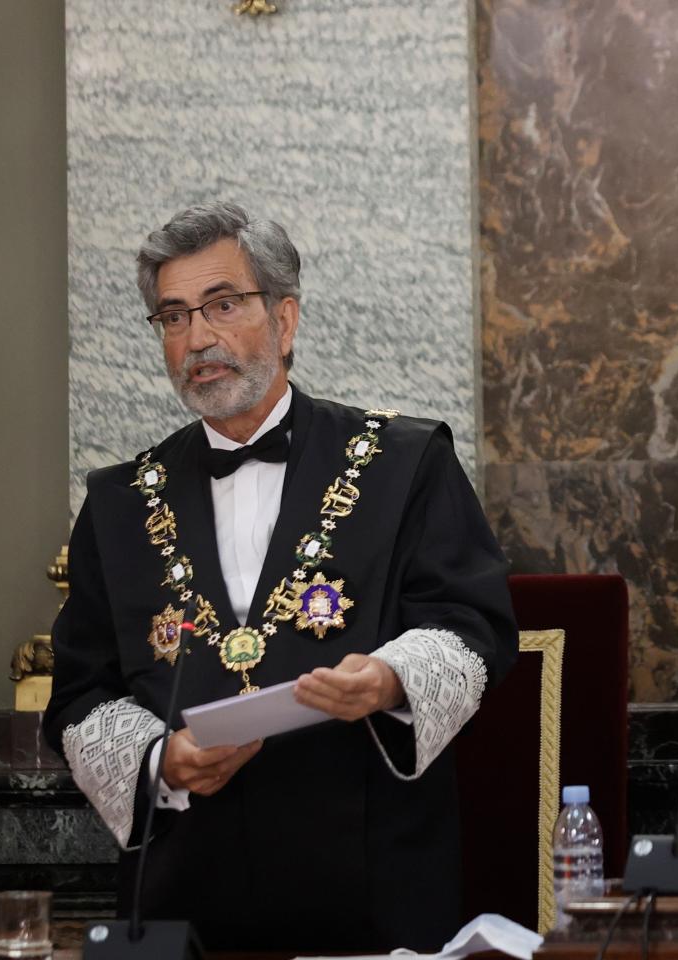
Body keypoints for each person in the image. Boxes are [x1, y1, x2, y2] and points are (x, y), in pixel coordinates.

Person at [44, 201, 518, 952]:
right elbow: (80, 693)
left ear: (286, 320)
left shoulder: (405, 461)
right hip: (183, 897)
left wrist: (389, 680)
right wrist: (160, 758)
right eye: (173, 317)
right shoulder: (118, 501)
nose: (198, 337)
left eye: (223, 305)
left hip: (370, 885)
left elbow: (475, 625)